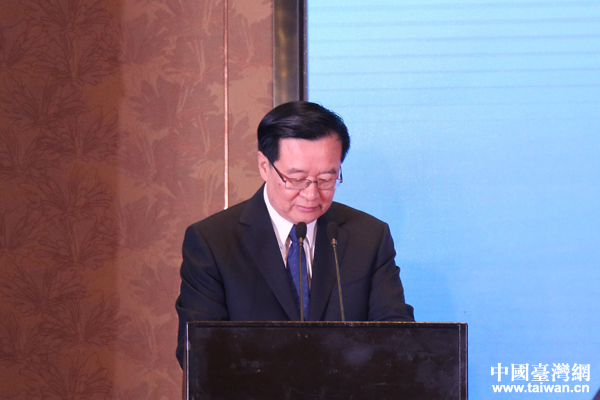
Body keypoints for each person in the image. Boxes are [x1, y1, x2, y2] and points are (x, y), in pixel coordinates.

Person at [175, 101, 414, 366]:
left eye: (326, 179)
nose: (312, 194)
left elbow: (397, 338)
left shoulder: (368, 236)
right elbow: (198, 354)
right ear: (264, 166)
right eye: (297, 179)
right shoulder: (213, 241)